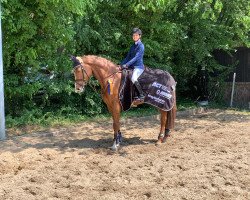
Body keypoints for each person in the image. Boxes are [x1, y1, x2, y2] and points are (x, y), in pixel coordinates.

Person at [121, 28, 145, 100]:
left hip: (138, 67)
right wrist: (121, 64)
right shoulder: (132, 46)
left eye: (136, 35)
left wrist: (126, 65)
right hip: (131, 67)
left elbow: (136, 58)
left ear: (139, 36)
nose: (134, 37)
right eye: (133, 35)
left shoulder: (141, 46)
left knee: (134, 78)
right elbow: (128, 57)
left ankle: (141, 95)